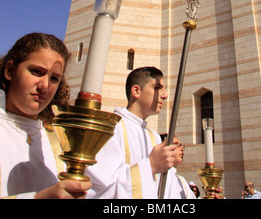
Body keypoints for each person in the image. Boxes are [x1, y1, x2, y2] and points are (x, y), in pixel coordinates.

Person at [0, 32, 91, 199]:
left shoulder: (57, 139)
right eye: (36, 72)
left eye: (54, 78)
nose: (45, 85)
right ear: (10, 70)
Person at [86, 66, 178, 199]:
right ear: (136, 91)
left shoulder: (155, 137)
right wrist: (150, 166)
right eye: (157, 88)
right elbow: (100, 188)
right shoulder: (110, 129)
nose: (165, 95)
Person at [160, 133, 196, 199]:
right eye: (176, 145)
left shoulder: (181, 181)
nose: (182, 149)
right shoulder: (156, 177)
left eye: (181, 146)